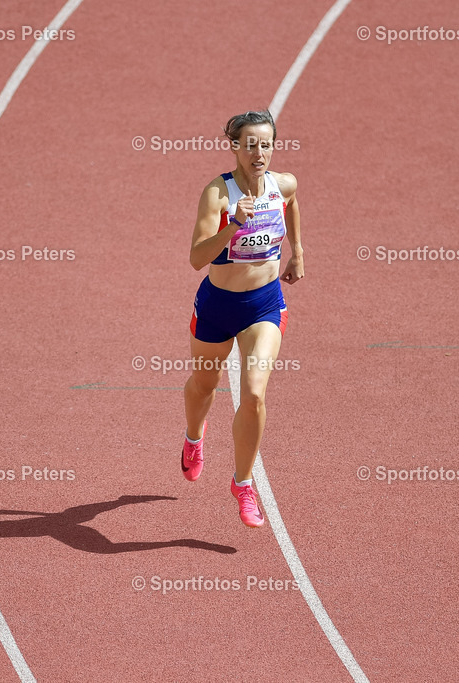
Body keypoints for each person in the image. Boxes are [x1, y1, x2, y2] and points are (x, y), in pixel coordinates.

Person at [181, 110, 304, 527]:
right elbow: (197, 258)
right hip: (217, 306)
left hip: (264, 306)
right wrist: (233, 224)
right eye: (250, 145)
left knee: (253, 394)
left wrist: (298, 253)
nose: (259, 153)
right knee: (204, 385)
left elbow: (292, 203)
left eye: (266, 144)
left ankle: (243, 484)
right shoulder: (218, 193)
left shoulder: (283, 184)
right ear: (234, 147)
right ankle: (194, 437)